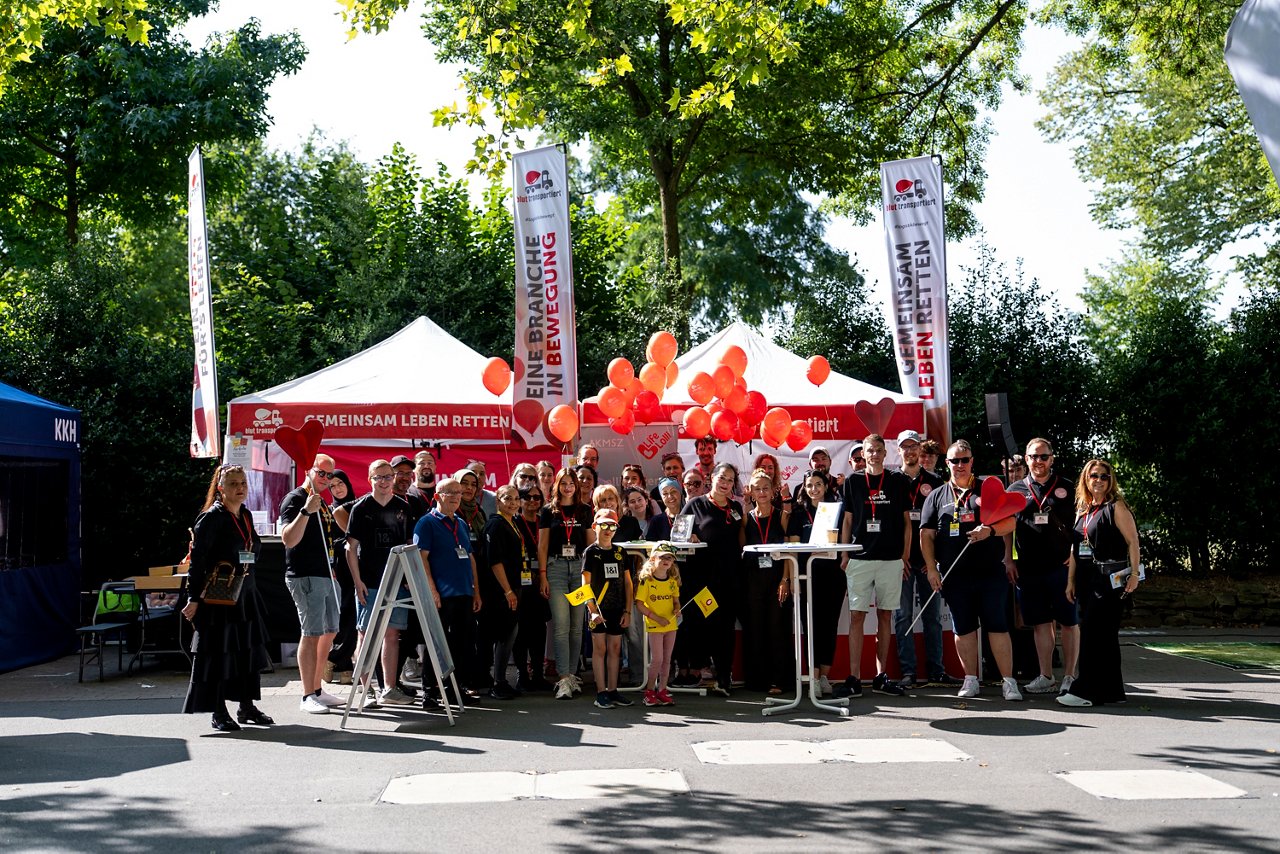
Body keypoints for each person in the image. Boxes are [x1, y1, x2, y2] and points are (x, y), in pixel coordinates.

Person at [919, 440, 1024, 701]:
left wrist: (990, 531)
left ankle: (1008, 681)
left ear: (972, 462)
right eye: (955, 461)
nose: (960, 465)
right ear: (947, 464)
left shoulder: (985, 488)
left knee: (997, 627)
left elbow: (1010, 521)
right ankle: (970, 679)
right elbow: (926, 535)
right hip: (955, 575)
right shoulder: (937, 495)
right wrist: (932, 569)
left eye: (965, 460)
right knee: (963, 628)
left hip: (990, 573)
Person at [182, 465, 273, 732]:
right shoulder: (211, 518)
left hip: (245, 596)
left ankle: (247, 706)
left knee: (247, 653)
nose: (240, 488)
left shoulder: (244, 514)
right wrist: (193, 598)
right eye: (233, 483)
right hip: (219, 600)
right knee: (220, 656)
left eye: (243, 483)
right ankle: (218, 711)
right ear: (220, 488)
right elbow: (196, 562)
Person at [1058, 460, 1142, 708]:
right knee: (1103, 636)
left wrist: (1135, 574)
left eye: (1104, 476)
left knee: (1094, 635)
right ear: (1086, 479)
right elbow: (1075, 548)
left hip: (1109, 580)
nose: (1099, 480)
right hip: (1086, 579)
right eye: (1094, 476)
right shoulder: (1084, 510)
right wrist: (1070, 581)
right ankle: (1111, 690)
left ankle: (1085, 690)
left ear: (1110, 480)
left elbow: (1133, 541)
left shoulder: (1116, 507)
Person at [837, 434, 908, 698]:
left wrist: (905, 554)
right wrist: (845, 554)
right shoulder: (854, 481)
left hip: (890, 558)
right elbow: (847, 520)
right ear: (863, 454)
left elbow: (906, 521)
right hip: (860, 557)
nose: (875, 454)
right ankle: (854, 677)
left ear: (885, 453)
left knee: (886, 616)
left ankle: (881, 676)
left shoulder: (898, 481)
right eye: (870, 450)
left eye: (879, 450)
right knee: (857, 616)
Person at [1007, 438, 1079, 695]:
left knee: (1069, 623)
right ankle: (1046, 676)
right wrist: (1008, 558)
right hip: (1028, 567)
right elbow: (1007, 528)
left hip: (1062, 566)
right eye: (1033, 457)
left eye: (1043, 456)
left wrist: (1076, 553)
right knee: (1040, 623)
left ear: (1052, 458)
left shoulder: (1068, 487)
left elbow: (1083, 522)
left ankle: (1070, 676)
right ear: (1026, 459)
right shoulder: (1015, 488)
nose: (1038, 462)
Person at [344, 460, 414, 707]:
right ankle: (365, 690)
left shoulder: (403, 507)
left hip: (395, 582)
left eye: (388, 477)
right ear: (370, 479)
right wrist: (357, 581)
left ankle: (390, 688)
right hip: (369, 582)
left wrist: (407, 579)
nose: (384, 481)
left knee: (392, 635)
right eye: (378, 477)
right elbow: (350, 548)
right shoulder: (361, 508)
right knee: (365, 635)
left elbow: (408, 547)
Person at [279, 453, 344, 715]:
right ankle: (307, 694)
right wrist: (306, 511)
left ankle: (317, 689)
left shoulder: (323, 501)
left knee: (329, 631)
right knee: (312, 632)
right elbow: (288, 539)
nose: (327, 480)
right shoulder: (296, 499)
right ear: (309, 471)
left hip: (326, 574)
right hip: (305, 575)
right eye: (322, 473)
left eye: (330, 475)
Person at [892, 430, 954, 689]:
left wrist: (936, 561)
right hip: (901, 560)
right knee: (903, 617)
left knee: (932, 617)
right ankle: (908, 672)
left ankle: (937, 671)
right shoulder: (891, 480)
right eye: (904, 447)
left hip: (928, 560)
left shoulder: (936, 481)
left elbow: (942, 521)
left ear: (921, 450)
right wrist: (898, 556)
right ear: (899, 451)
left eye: (914, 446)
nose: (910, 451)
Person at [413, 477, 483, 705]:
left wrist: (476, 591)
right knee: (436, 642)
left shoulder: (461, 524)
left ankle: (456, 689)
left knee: (462, 644)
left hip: (464, 593)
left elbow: (470, 559)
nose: (455, 496)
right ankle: (430, 691)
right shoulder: (426, 523)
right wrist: (432, 591)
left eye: (458, 493)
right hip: (441, 595)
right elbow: (421, 559)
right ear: (437, 496)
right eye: (449, 492)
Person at [677, 461, 744, 694]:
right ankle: (696, 671)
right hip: (700, 580)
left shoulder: (737, 509)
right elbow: (677, 536)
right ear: (711, 478)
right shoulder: (695, 504)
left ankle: (724, 677)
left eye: (730, 480)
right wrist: (690, 537)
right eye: (722, 478)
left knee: (725, 628)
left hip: (729, 579)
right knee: (700, 625)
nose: (725, 483)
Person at [788, 469, 845, 696]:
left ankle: (824, 677)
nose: (814, 489)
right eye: (809, 485)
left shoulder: (835, 510)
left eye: (818, 484)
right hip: (806, 577)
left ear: (826, 486)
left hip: (832, 576)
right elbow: (792, 547)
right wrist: (793, 577)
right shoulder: (798, 513)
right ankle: (811, 676)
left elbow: (843, 537)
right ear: (804, 487)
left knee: (828, 626)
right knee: (809, 627)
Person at [538, 467, 594, 698]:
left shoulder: (585, 511)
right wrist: (542, 574)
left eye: (572, 483)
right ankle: (562, 678)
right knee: (560, 626)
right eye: (564, 483)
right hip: (556, 569)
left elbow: (591, 546)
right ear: (557, 486)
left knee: (576, 626)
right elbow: (542, 545)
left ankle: (572, 675)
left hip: (579, 570)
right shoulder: (548, 511)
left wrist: (591, 576)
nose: (568, 487)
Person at [741, 468, 792, 694]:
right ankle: (756, 681)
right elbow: (741, 550)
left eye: (765, 488)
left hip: (776, 579)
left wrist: (785, 580)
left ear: (773, 492)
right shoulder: (745, 518)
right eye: (757, 488)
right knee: (755, 630)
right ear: (751, 492)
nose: (761, 492)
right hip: (753, 581)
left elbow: (791, 552)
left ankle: (779, 680)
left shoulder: (782, 516)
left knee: (777, 629)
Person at [583, 509, 634, 708]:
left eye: (612, 526)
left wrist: (628, 611)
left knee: (615, 649)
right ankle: (601, 692)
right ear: (595, 527)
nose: (608, 530)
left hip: (617, 609)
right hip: (598, 610)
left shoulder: (621, 552)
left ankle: (613, 691)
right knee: (600, 649)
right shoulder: (591, 552)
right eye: (603, 525)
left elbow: (629, 584)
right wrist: (593, 610)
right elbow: (585, 584)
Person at [484, 485, 528, 700]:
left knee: (511, 631)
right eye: (507, 498)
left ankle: (501, 680)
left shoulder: (514, 522)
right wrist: (508, 591)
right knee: (505, 634)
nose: (512, 502)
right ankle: (498, 682)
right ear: (498, 501)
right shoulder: (495, 525)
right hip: (502, 590)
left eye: (516, 498)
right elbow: (495, 562)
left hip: (515, 585)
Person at [512, 485, 552, 692]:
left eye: (537, 497)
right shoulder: (514, 522)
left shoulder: (544, 521)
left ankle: (538, 673)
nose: (533, 501)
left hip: (541, 581)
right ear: (519, 500)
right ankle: (522, 675)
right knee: (522, 631)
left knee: (539, 629)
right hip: (521, 582)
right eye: (527, 497)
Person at [635, 543, 681, 707]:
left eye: (669, 558)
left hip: (671, 625)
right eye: (662, 557)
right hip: (655, 626)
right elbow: (639, 604)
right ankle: (649, 691)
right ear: (653, 558)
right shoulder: (646, 581)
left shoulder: (672, 581)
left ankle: (662, 690)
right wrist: (655, 617)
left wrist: (677, 609)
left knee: (667, 659)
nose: (666, 560)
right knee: (657, 659)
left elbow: (676, 601)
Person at [325, 469, 358, 685]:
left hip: (361, 567)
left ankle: (343, 663)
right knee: (347, 614)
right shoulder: (329, 511)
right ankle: (334, 659)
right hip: (341, 569)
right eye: (332, 486)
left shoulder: (357, 506)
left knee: (355, 617)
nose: (337, 488)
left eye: (340, 483)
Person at [390, 455, 431, 526]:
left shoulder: (414, 501)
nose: (405, 478)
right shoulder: (384, 500)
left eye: (408, 473)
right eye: (400, 473)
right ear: (390, 475)